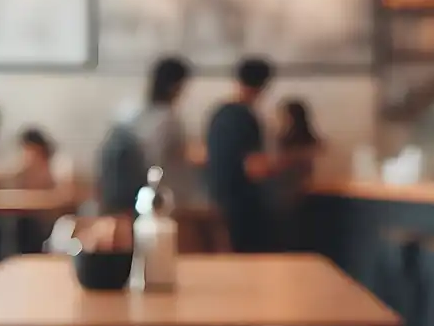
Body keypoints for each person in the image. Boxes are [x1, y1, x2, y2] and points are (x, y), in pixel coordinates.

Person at [96, 55, 192, 213]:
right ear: (175, 86)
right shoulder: (167, 119)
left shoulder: (130, 109)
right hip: (142, 193)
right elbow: (156, 162)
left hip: (113, 190)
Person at [205, 56, 276, 254]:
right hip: (243, 207)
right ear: (263, 86)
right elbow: (254, 168)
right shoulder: (246, 118)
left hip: (218, 201)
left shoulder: (218, 113)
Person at [270, 99, 322, 251]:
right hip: (285, 192)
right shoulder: (282, 138)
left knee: (293, 235)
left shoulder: (301, 141)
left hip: (295, 192)